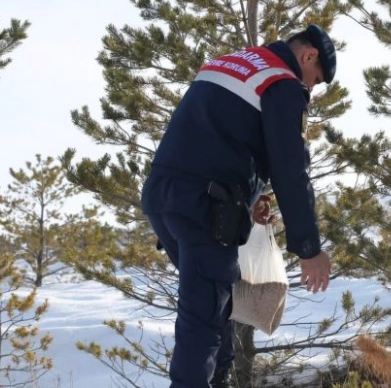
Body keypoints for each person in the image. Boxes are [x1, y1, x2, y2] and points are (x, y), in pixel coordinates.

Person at [140, 24, 335, 388]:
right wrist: (309, 248)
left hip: (164, 197)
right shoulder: (282, 81)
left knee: (216, 310)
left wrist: (248, 197)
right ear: (308, 56)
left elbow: (215, 136)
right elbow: (290, 169)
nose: (310, 88)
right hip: (205, 208)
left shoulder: (229, 63)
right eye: (315, 79)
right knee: (202, 323)